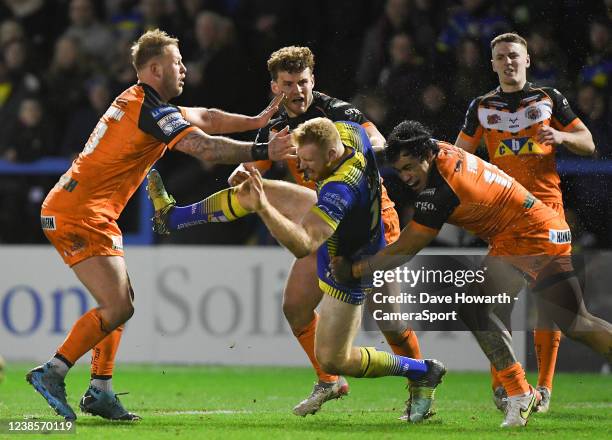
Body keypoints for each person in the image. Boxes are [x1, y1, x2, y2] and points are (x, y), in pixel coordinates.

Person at [27, 28, 294, 421]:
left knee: (121, 304)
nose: (185, 69)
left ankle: (99, 389)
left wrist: (253, 120)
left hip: (87, 209)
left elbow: (206, 118)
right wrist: (263, 149)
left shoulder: (143, 102)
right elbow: (203, 146)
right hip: (79, 212)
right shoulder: (150, 111)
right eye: (177, 62)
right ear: (155, 68)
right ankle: (54, 371)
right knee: (117, 305)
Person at [146, 46, 422, 418]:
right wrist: (244, 171)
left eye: (303, 82)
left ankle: (421, 385)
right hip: (320, 220)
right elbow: (248, 165)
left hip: (368, 221)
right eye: (289, 83)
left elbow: (375, 140)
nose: (297, 91)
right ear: (275, 85)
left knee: (391, 322)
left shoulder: (337, 113)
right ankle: (329, 381)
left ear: (313, 81)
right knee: (295, 307)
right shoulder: (275, 125)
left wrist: (357, 149)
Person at [331, 120, 612, 427]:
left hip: (525, 236)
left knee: (475, 306)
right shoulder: (440, 151)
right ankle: (512, 387)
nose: (407, 176)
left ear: (426, 154)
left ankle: (519, 392)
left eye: (410, 167)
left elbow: (406, 248)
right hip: (550, 228)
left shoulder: (441, 190)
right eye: (400, 170)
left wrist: (358, 269)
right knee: (576, 322)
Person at [239, 118, 445, 423]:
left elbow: (304, 244)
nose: (301, 167)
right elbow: (361, 131)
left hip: (350, 264)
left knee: (337, 357)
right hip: (344, 242)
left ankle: (423, 371)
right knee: (296, 308)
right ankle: (332, 383)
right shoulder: (349, 131)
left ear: (332, 156)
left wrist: (264, 208)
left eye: (307, 161)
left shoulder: (341, 188)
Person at [455, 32, 596, 412]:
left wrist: (562, 138)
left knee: (551, 309)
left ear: (528, 60)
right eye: (501, 57)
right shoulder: (482, 106)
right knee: (495, 304)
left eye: (515, 56)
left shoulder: (549, 98)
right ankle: (507, 388)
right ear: (493, 64)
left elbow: (588, 142)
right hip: (507, 218)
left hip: (548, 214)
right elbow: (459, 158)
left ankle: (540, 389)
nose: (509, 62)